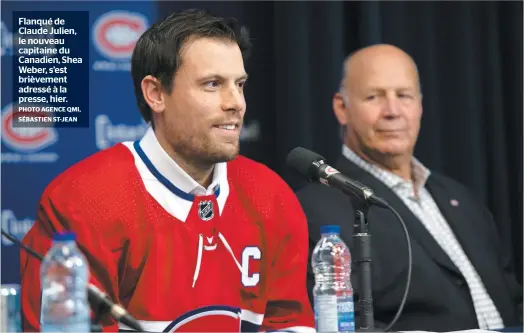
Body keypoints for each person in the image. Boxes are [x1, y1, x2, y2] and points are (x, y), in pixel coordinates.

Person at [20, 9, 315, 332]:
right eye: (212, 84)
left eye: (240, 84)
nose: (236, 103)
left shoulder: (271, 196)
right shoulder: (82, 199)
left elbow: (289, 323)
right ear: (156, 94)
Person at [296, 44, 523, 332]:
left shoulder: (462, 199)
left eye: (404, 96)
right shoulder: (318, 209)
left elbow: (513, 299)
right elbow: (340, 325)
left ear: (420, 105)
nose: (392, 111)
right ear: (342, 108)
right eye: (373, 97)